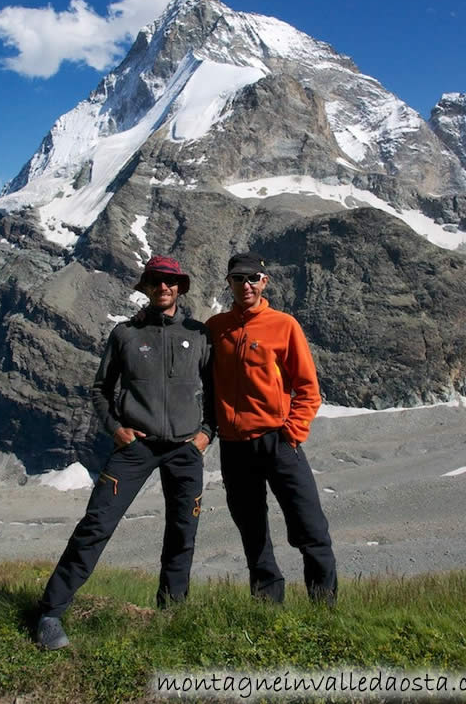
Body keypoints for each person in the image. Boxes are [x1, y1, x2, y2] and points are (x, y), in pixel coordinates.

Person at [36, 256, 214, 650]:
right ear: (146, 287)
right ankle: (50, 613)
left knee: (182, 534)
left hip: (185, 449)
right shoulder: (125, 335)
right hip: (136, 448)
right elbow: (100, 389)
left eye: (170, 281)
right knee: (96, 525)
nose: (163, 287)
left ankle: (171, 617)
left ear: (180, 287)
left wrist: (206, 434)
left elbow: (216, 392)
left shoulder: (199, 334)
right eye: (155, 280)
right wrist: (116, 429)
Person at [206, 251, 337, 604]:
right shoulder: (216, 328)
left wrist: (292, 433)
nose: (245, 285)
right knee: (253, 531)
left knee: (309, 526)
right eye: (238, 278)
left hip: (277, 441)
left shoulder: (283, 325)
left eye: (252, 278)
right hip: (234, 447)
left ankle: (324, 607)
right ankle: (267, 607)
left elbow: (308, 388)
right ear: (229, 283)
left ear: (264, 282)